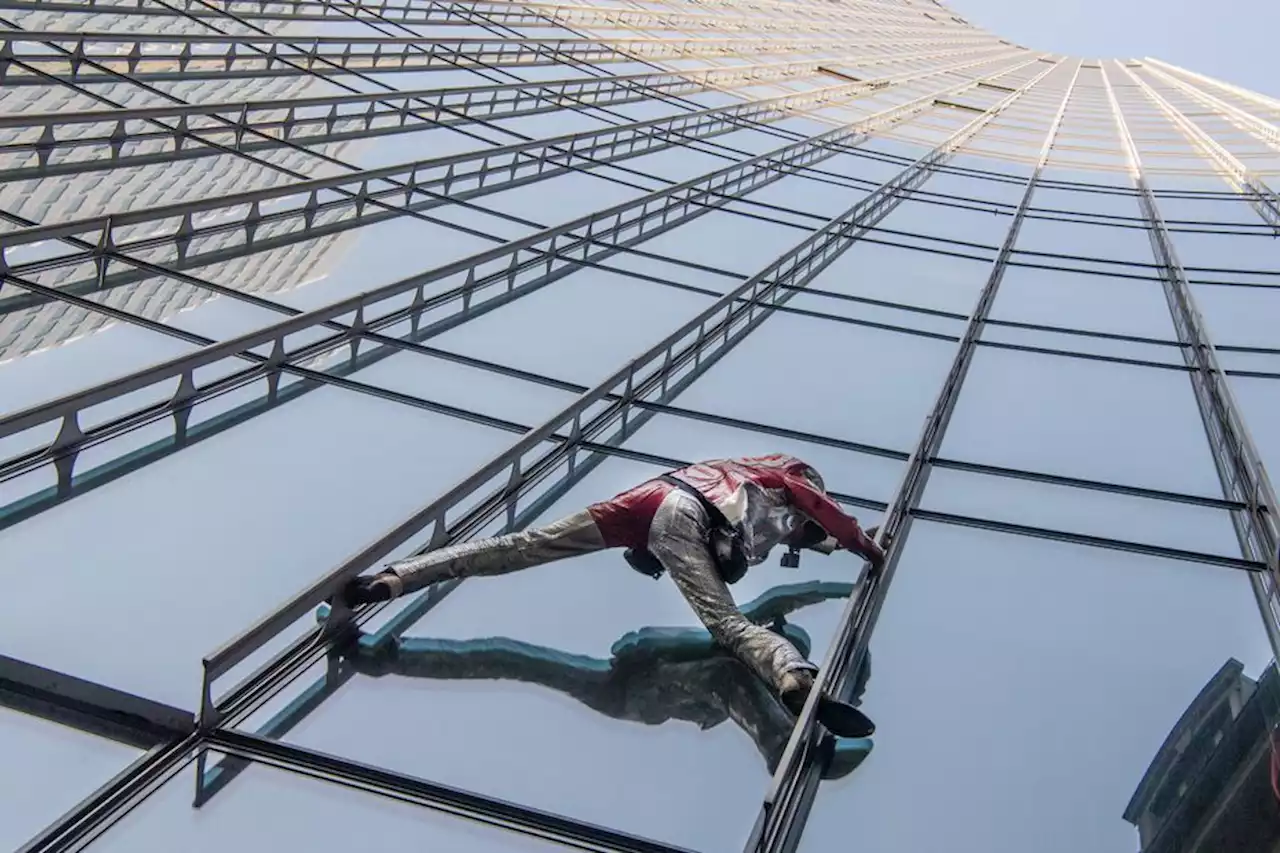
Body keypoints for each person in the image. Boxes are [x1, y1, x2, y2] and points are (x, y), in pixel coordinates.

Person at [342, 453, 887, 738]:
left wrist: (404, 573)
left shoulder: (693, 481)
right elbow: (817, 514)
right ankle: (792, 677)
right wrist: (865, 545)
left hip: (652, 504)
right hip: (685, 521)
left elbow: (520, 546)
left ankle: (394, 578)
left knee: (522, 547)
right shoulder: (775, 478)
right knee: (729, 626)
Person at [324, 581, 874, 779]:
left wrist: (855, 661)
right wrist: (840, 587)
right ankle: (377, 654)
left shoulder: (743, 677)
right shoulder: (741, 642)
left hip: (643, 694)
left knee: (732, 678)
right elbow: (770, 603)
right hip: (628, 678)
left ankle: (793, 750)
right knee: (509, 654)